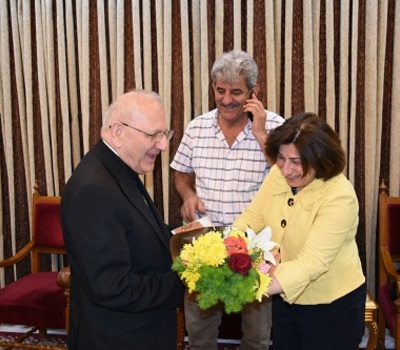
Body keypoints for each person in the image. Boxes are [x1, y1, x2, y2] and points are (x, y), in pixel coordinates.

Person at [170, 50, 284, 350]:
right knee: (199, 334)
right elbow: (180, 174)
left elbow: (288, 180)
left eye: (236, 92)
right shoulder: (197, 127)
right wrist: (188, 193)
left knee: (257, 337)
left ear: (253, 92)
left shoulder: (274, 126)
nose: (227, 99)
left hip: (255, 249)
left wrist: (260, 134)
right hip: (205, 245)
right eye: (220, 90)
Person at [60, 90, 186, 349]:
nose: (163, 145)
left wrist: (190, 238)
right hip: (116, 338)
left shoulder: (119, 167)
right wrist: (185, 281)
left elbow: (137, 230)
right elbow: (112, 286)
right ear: (118, 133)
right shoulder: (93, 190)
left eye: (165, 134)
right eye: (153, 135)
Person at [233, 112, 366, 350]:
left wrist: (251, 286)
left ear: (321, 159)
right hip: (286, 296)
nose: (286, 170)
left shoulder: (340, 196)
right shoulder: (277, 174)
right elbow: (252, 217)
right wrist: (227, 247)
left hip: (331, 306)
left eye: (297, 162)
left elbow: (311, 263)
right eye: (282, 158)